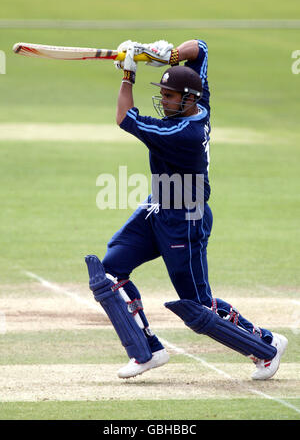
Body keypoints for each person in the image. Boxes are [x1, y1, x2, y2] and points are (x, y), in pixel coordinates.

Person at [85, 39, 287, 381]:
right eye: (162, 95)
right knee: (108, 273)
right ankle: (146, 350)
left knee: (198, 309)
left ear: (187, 99)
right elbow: (203, 48)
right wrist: (171, 54)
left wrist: (129, 75)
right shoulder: (200, 101)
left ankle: (266, 345)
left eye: (169, 97)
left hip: (185, 220)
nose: (163, 102)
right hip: (158, 206)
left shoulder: (182, 132)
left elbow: (124, 118)